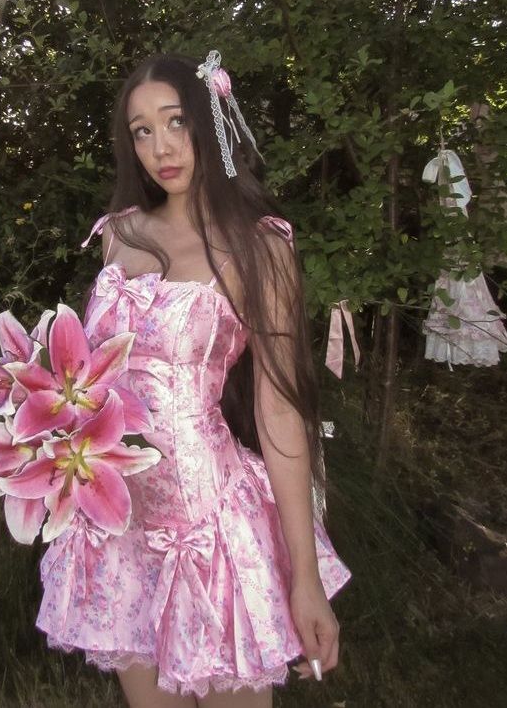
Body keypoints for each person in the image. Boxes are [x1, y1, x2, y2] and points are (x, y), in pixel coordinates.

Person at [36, 51, 352, 707]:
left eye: (176, 121)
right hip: (120, 529)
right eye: (142, 131)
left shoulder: (262, 248)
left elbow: (279, 413)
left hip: (212, 532)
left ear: (209, 121)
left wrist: (305, 579)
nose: (161, 147)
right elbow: (87, 378)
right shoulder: (118, 235)